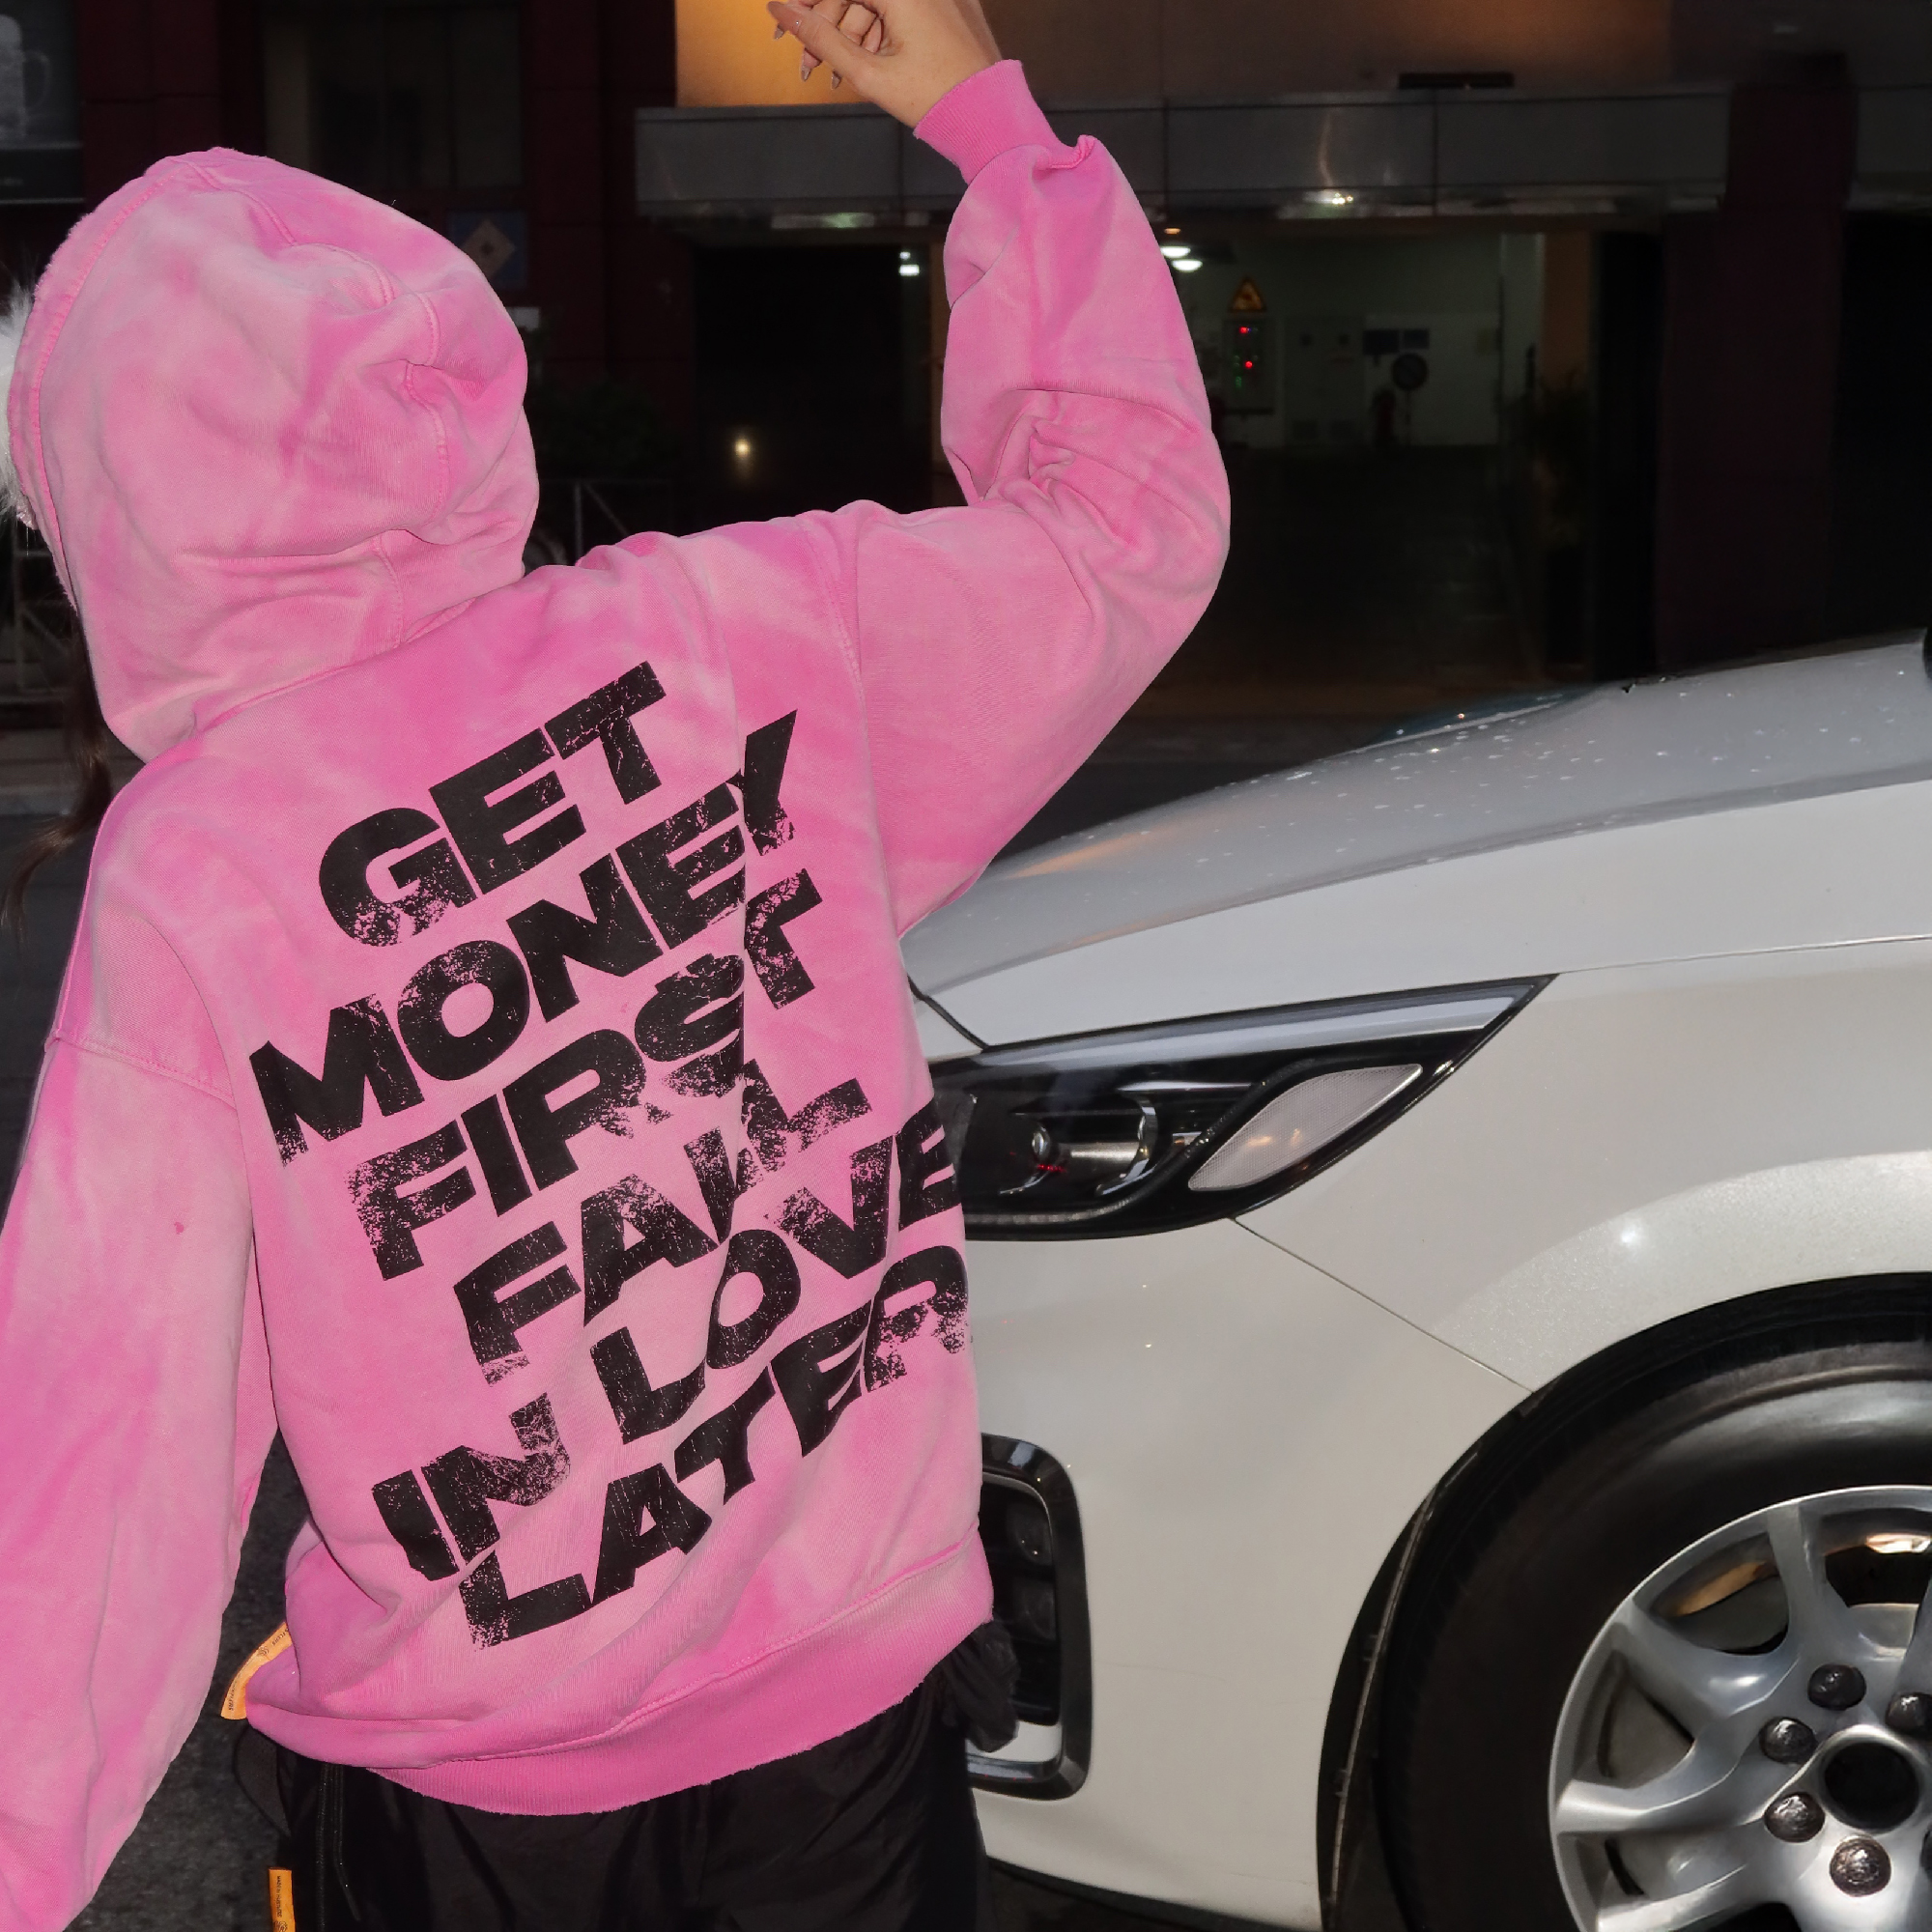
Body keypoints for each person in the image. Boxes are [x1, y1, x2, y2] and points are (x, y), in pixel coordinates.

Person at [0, 0, 1228, 1923]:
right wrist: (993, 136)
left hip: (479, 1806)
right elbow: (1118, 534)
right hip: (844, 1738)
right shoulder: (746, 633)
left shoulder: (200, 864)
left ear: (106, 509)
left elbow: (103, 1429)